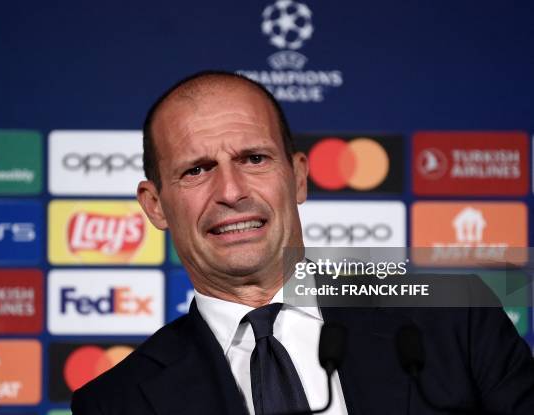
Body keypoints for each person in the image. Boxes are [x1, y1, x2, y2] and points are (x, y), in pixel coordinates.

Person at [71, 71, 534, 415]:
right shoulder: (115, 403)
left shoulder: (456, 318)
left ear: (297, 177)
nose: (230, 192)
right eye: (197, 170)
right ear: (154, 205)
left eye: (254, 158)